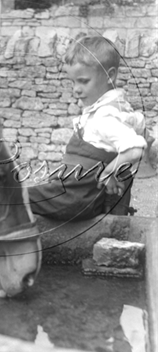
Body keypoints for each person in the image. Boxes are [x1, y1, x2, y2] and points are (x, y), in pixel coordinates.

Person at [29, 35, 147, 220]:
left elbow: (134, 150)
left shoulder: (105, 116)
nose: (76, 89)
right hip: (78, 194)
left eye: (83, 81)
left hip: (76, 199)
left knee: (16, 198)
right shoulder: (117, 110)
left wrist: (109, 172)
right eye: (73, 82)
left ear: (111, 75)